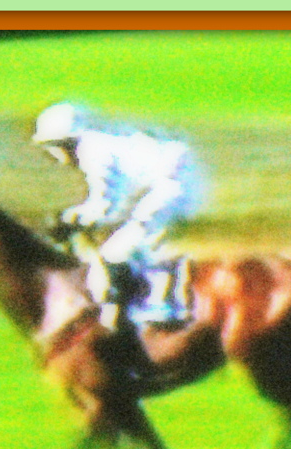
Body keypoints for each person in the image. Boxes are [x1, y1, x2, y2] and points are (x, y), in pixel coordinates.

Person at [31, 102, 201, 329]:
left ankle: (158, 310)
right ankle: (165, 304)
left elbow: (106, 205)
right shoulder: (97, 146)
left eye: (51, 147)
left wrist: (72, 220)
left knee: (116, 252)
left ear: (63, 142)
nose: (51, 154)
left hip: (172, 186)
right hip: (177, 181)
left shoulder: (92, 152)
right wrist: (78, 217)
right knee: (140, 245)